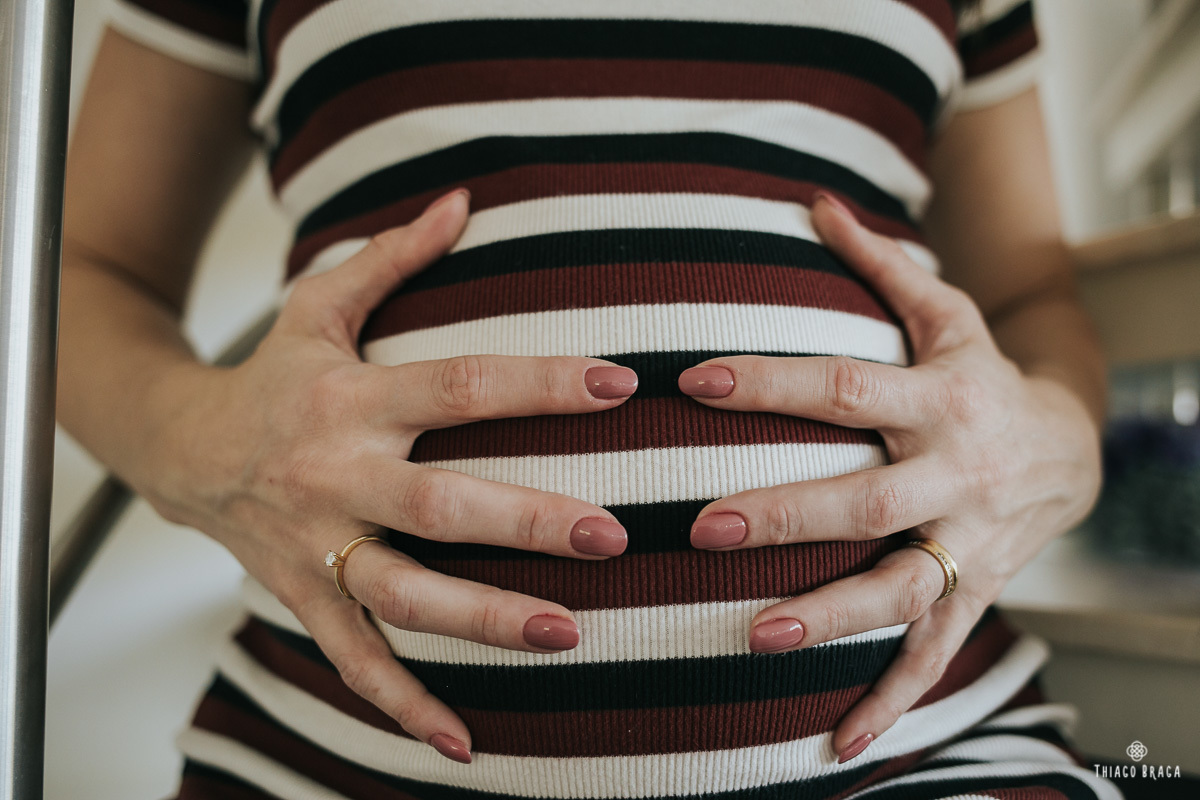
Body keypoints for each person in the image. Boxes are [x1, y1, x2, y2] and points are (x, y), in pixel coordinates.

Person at [58, 0, 1125, 797]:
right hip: (332, 762)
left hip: (923, 756)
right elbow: (79, 270)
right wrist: (212, 444)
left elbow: (1031, 294)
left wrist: (1053, 447)